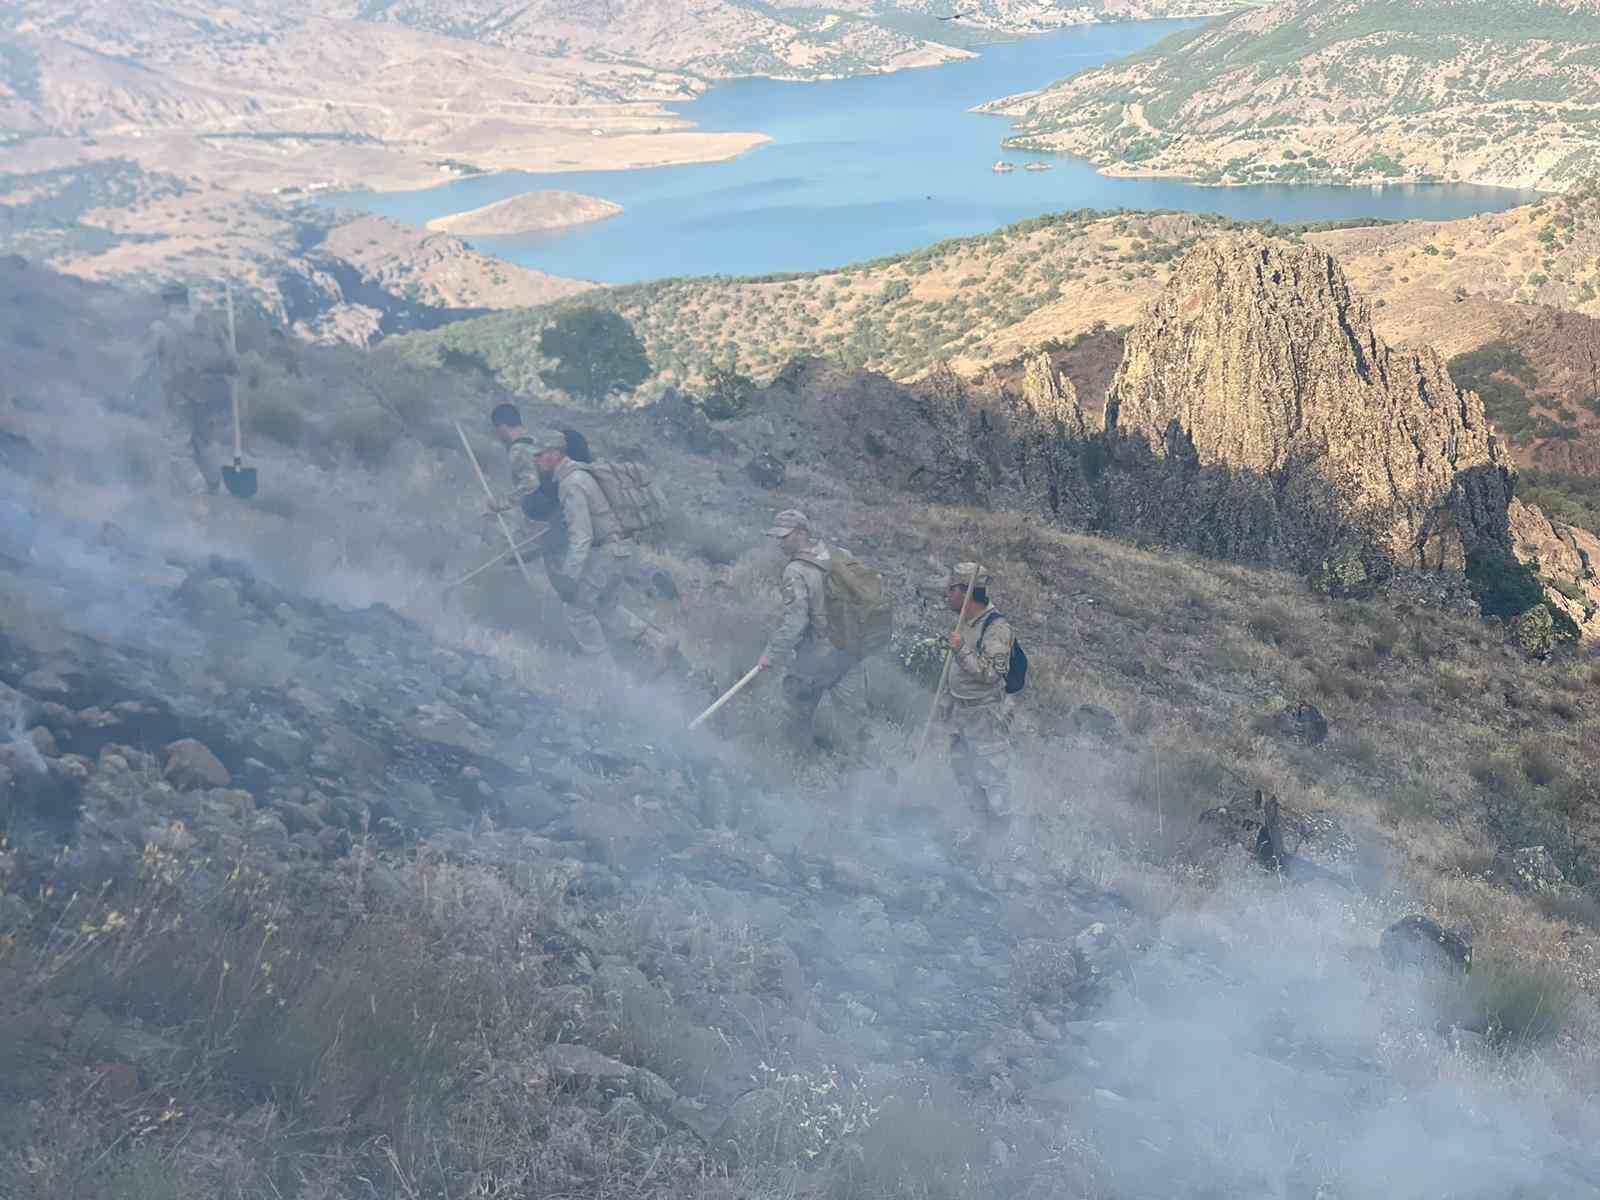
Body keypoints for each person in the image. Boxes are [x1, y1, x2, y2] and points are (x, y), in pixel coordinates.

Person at [489, 407, 676, 669]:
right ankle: (659, 643)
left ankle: (608, 677)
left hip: (606, 553)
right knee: (605, 606)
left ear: (555, 455)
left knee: (576, 612)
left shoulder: (571, 484)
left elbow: (582, 536)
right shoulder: (580, 472)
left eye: (540, 456)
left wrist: (570, 576)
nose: (537, 461)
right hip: (618, 551)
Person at [757, 510, 873, 758]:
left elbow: (795, 621)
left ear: (801, 533)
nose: (780, 542)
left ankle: (797, 768)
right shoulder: (841, 555)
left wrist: (771, 654)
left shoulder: (795, 571)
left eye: (784, 536)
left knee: (795, 712)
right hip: (849, 651)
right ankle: (868, 776)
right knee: (856, 723)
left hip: (816, 657)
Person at [136, 284, 235, 496]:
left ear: (166, 301)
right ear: (186, 298)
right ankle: (215, 485)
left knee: (180, 443)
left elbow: (143, 362)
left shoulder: (160, 327)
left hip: (178, 394)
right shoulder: (208, 324)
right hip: (209, 393)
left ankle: (198, 492)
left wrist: (134, 390)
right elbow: (231, 360)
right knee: (205, 440)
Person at [935, 562, 1014, 824]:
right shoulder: (966, 622)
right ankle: (983, 831)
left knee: (993, 780)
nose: (946, 595)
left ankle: (1007, 842)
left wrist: (961, 650)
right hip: (961, 714)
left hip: (984, 716)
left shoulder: (996, 627)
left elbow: (991, 673)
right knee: (964, 774)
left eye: (951, 589)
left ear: (966, 592)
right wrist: (946, 703)